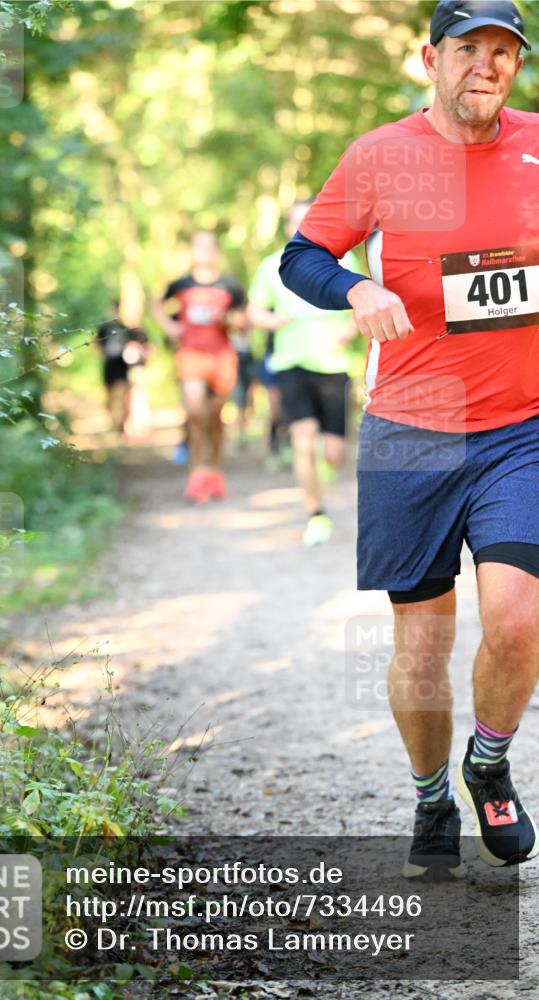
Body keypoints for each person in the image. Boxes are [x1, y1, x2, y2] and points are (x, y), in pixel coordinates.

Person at [280, 0, 538, 878]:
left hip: (521, 428)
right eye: (469, 49)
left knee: (517, 616)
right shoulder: (380, 156)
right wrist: (353, 289)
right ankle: (430, 794)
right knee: (421, 645)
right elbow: (302, 255)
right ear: (428, 57)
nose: (487, 66)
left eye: (503, 53)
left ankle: (489, 763)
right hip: (411, 432)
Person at [249, 202, 359, 545]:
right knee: (303, 441)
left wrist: (351, 328)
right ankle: (315, 513)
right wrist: (271, 321)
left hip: (332, 365)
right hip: (290, 363)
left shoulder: (343, 260)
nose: (301, 226)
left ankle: (321, 487)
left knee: (334, 453)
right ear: (287, 228)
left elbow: (365, 300)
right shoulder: (271, 266)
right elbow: (253, 309)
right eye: (296, 222)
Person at [152, 231, 247, 503]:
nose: (204, 252)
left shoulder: (230, 286)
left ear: (216, 252)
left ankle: (214, 471)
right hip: (191, 354)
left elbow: (243, 320)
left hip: (221, 357)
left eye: (209, 247)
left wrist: (226, 319)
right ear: (192, 252)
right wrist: (170, 326)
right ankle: (196, 474)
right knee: (194, 411)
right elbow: (156, 304)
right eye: (198, 246)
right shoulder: (180, 283)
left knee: (215, 417)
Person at [96, 307, 148, 436]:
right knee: (111, 396)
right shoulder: (104, 328)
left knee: (123, 395)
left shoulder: (126, 328)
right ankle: (114, 422)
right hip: (109, 365)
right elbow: (96, 345)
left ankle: (121, 425)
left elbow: (137, 345)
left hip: (122, 366)